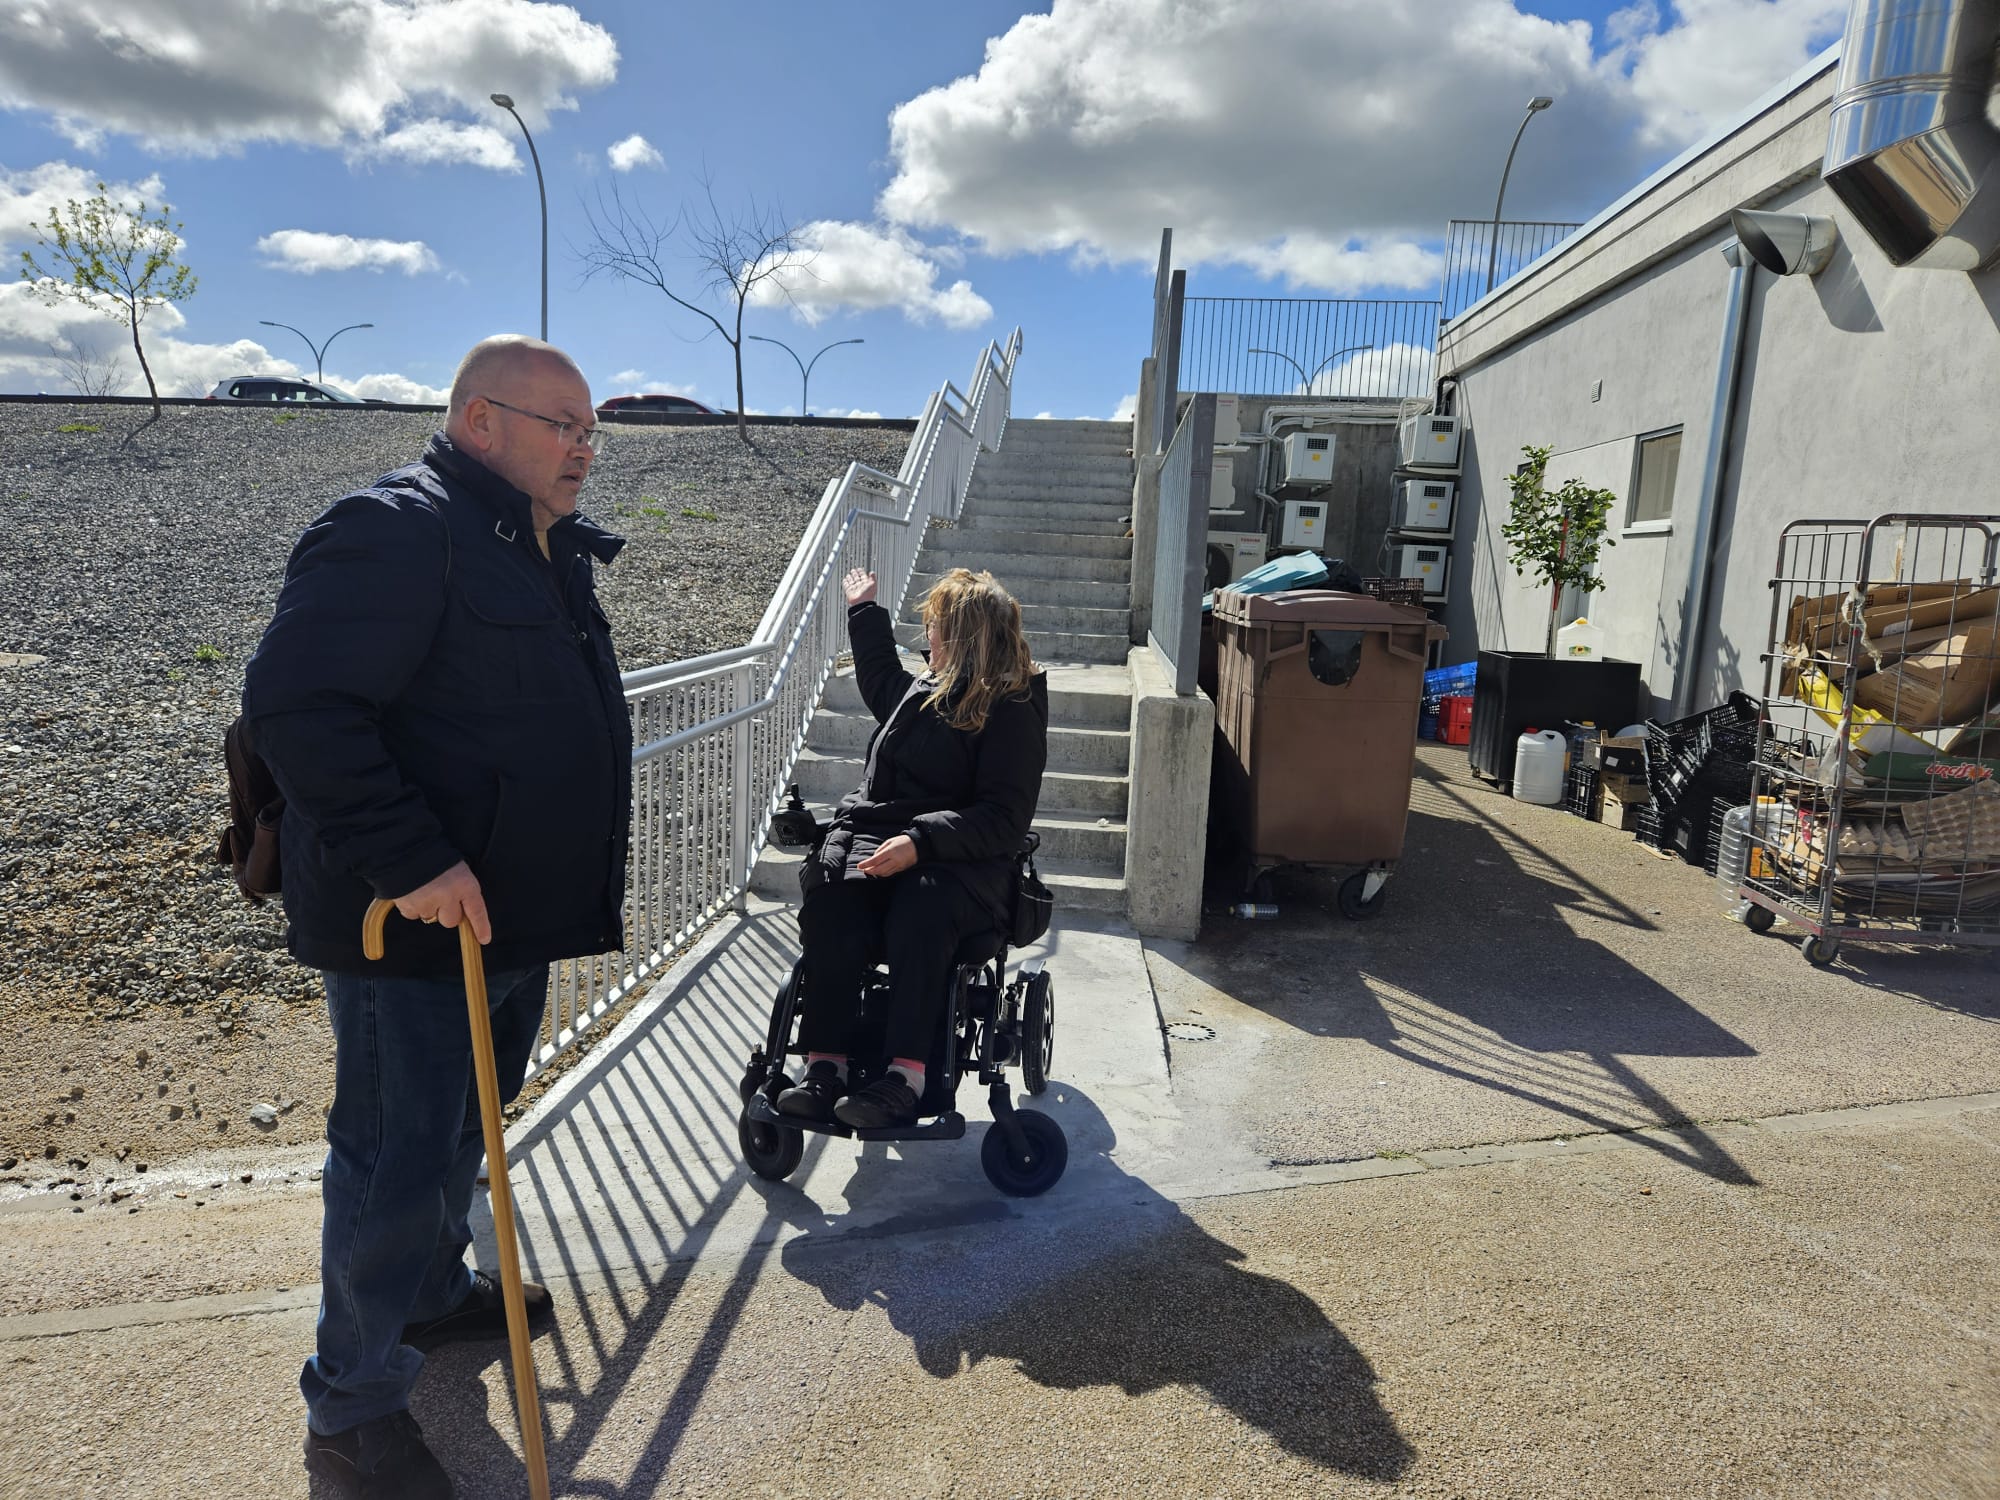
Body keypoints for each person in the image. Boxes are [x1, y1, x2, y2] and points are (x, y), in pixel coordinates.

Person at [242, 335, 631, 1500]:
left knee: (461, 1130)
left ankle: (428, 1292)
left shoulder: (537, 547)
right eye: (562, 425)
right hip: (412, 930)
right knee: (393, 1158)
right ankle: (352, 1410)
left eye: (590, 430)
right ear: (478, 424)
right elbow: (298, 707)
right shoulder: (396, 528)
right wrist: (412, 860)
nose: (583, 449)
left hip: (508, 920)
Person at [776, 566, 1047, 1131]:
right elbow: (879, 681)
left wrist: (921, 843)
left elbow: (1003, 817)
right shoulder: (927, 688)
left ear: (965, 637)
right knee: (833, 897)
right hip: (883, 842)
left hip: (961, 867)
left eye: (937, 630)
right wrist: (864, 610)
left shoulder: (1012, 709)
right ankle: (827, 1066)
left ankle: (906, 1078)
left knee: (921, 908)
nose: (928, 641)